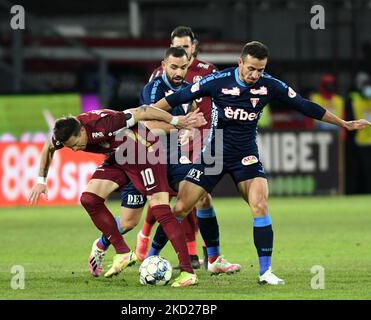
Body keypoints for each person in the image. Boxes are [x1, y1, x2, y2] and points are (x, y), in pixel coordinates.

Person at [150, 41, 371, 285]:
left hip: (246, 155)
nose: (255, 75)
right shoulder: (218, 80)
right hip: (213, 154)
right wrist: (148, 113)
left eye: (261, 69)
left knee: (260, 205)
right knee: (181, 207)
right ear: (240, 63)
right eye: (251, 69)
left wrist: (344, 123)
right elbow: (178, 96)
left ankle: (265, 272)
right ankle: (151, 258)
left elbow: (304, 105)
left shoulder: (270, 85)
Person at [89, 47, 240, 277]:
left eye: (183, 67)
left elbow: (190, 121)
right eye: (174, 67)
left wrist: (189, 130)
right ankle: (101, 245)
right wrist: (181, 124)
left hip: (172, 159)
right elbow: (146, 126)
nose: (179, 72)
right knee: (129, 221)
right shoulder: (154, 90)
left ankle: (213, 258)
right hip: (142, 158)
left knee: (202, 197)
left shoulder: (190, 91)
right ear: (163, 65)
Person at [28, 102, 206, 287]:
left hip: (143, 152)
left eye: (75, 144)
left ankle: (187, 272)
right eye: (70, 147)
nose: (75, 149)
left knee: (160, 209)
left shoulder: (103, 124)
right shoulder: (65, 134)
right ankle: (123, 252)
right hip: (119, 157)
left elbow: (142, 111)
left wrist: (177, 121)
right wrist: (41, 180)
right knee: (89, 199)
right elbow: (49, 146)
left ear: (81, 131)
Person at [139, 26, 219, 269]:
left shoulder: (208, 71)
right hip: (168, 142)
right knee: (172, 197)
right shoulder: (159, 77)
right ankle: (147, 241)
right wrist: (178, 127)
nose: (183, 51)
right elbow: (149, 117)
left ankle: (207, 255)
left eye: (186, 46)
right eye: (178, 47)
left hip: (202, 138)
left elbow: (214, 103)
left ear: (193, 46)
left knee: (198, 196)